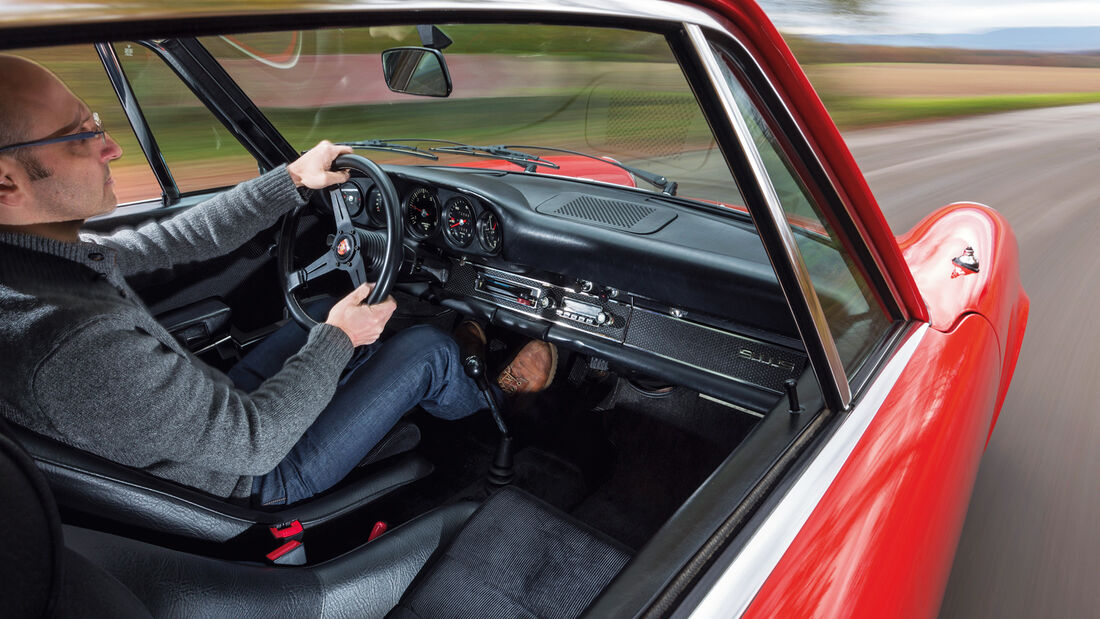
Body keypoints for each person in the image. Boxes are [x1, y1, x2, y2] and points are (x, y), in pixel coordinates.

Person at [0, 54, 556, 507]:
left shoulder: (40, 265)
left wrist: (289, 178)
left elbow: (175, 241)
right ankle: (493, 405)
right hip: (253, 480)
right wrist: (339, 339)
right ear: (7, 183)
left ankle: (458, 363)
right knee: (427, 348)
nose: (112, 147)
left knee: (328, 304)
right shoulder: (70, 347)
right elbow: (257, 443)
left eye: (96, 122)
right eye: (79, 136)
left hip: (210, 419)